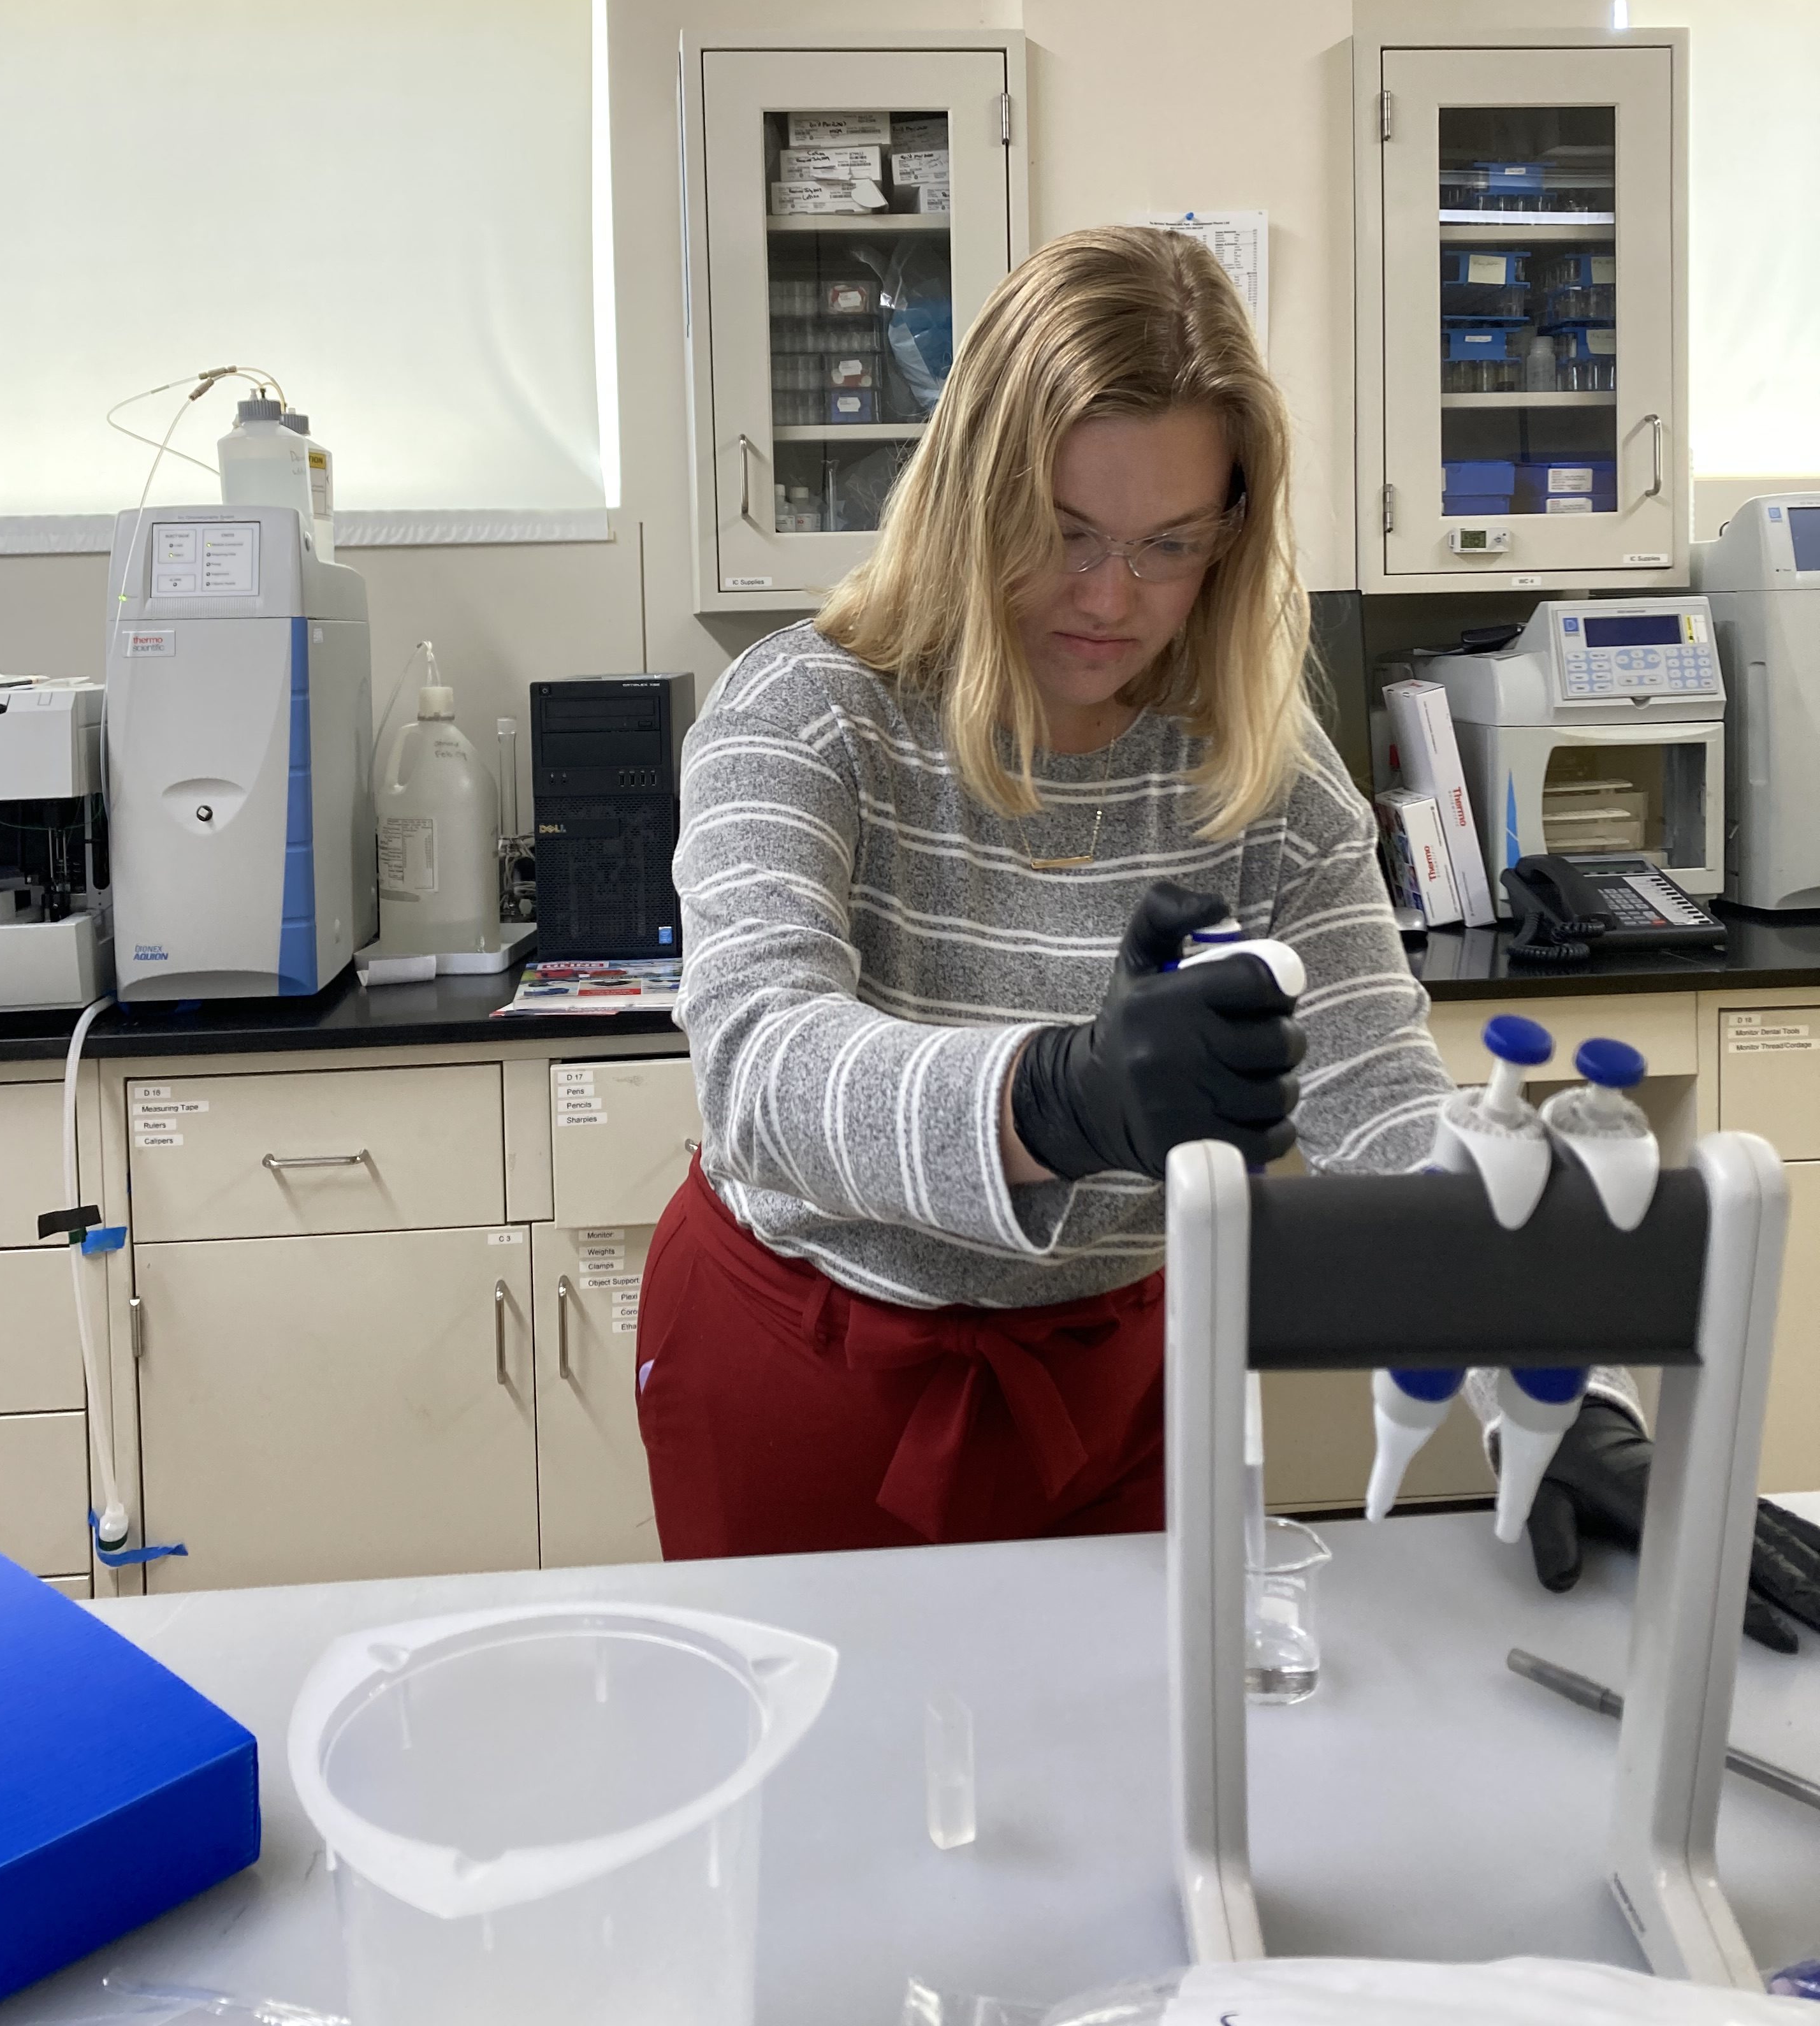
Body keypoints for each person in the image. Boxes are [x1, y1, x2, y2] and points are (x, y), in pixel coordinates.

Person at [636, 226, 1820, 1643]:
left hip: (1112, 1375)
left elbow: (1388, 1119)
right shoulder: (805, 710)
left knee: (1133, 1778)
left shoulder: (1260, 777)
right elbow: (761, 1077)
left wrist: (1561, 1397)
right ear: (966, 499)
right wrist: (1061, 1097)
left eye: (1171, 547)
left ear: (1233, 534)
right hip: (805, 1356)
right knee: (831, 1812)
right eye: (1065, 533)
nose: (1110, 597)